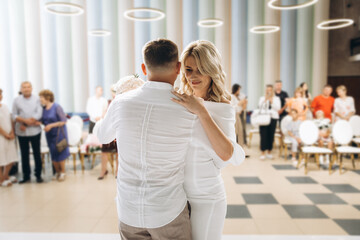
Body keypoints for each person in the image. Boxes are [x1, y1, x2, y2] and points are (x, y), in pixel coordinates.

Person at [94, 39, 225, 239]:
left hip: (128, 210)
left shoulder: (121, 103)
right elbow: (219, 152)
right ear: (179, 68)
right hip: (167, 211)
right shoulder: (190, 109)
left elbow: (102, 136)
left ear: (143, 68)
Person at [172, 40, 245, 240]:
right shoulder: (180, 100)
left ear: (211, 70)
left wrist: (201, 111)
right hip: (176, 197)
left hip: (207, 197)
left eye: (200, 69)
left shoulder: (223, 106)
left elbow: (226, 154)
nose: (193, 76)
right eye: (188, 69)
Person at [12, 81, 43, 184]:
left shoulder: (37, 100)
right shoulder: (16, 100)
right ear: (21, 89)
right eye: (24, 87)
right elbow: (14, 115)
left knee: (37, 154)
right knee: (24, 155)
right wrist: (24, 121)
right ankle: (26, 176)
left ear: (31, 88)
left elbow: (39, 114)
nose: (26, 89)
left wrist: (26, 123)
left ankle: (38, 175)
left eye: (28, 87)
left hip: (35, 131)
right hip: (21, 132)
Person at [39, 90, 70, 182]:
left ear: (47, 98)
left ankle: (63, 172)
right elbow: (43, 120)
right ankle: (57, 172)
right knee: (53, 153)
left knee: (60, 153)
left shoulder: (57, 107)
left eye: (41, 97)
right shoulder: (43, 109)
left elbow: (63, 121)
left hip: (59, 133)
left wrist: (51, 125)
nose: (40, 99)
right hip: (49, 135)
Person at [0, 89, 18, 187]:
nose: (0, 96)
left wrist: (12, 132)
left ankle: (6, 176)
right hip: (1, 137)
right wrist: (5, 134)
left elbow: (10, 119)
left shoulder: (5, 106)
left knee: (11, 157)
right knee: (1, 159)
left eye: (1, 94)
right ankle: (1, 180)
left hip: (9, 135)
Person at [258, 85, 281, 160]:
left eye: (270, 90)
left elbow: (278, 108)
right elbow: (259, 107)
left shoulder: (276, 99)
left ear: (272, 91)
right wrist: (265, 100)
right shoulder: (262, 98)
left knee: (271, 135)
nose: (269, 91)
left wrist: (272, 102)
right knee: (263, 135)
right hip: (263, 118)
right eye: (267, 90)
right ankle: (262, 152)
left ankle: (269, 152)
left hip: (273, 118)